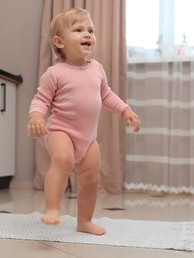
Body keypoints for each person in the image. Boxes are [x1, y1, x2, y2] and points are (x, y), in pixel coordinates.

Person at [26, 7, 140, 236]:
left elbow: (106, 95)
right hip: (60, 132)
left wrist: (124, 109)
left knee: (90, 179)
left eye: (91, 30)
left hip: (88, 139)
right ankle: (52, 207)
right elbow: (41, 99)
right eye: (79, 30)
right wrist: (36, 115)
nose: (87, 34)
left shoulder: (97, 68)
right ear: (59, 42)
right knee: (62, 159)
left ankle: (84, 221)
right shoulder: (54, 73)